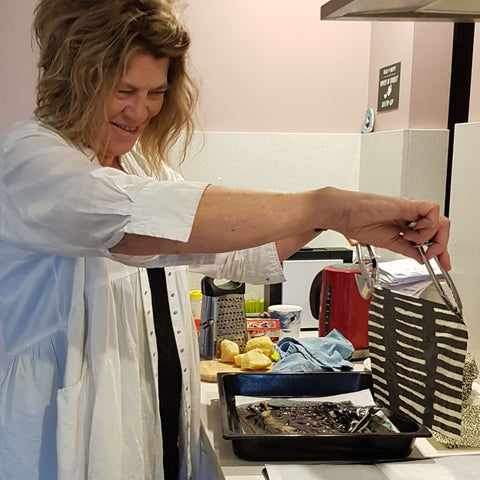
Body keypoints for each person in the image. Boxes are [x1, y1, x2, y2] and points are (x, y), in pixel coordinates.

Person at [0, 0, 451, 479]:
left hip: (156, 427)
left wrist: (334, 223)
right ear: (74, 78)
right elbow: (128, 221)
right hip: (59, 447)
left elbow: (240, 255)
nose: (141, 110)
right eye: (123, 89)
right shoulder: (29, 159)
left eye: (156, 92)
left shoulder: (141, 167)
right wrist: (326, 204)